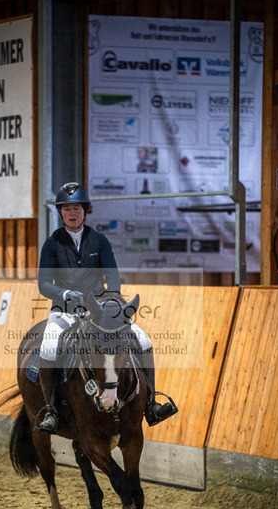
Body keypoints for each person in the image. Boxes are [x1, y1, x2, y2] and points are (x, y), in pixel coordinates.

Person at [37, 181, 177, 433]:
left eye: (76, 208)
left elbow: (112, 276)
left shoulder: (99, 240)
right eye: (67, 209)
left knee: (143, 340)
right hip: (65, 310)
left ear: (85, 211)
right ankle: (51, 410)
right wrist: (66, 293)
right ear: (60, 212)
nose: (72, 213)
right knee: (48, 347)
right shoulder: (52, 243)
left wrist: (111, 302)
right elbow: (44, 284)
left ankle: (151, 403)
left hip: (100, 311)